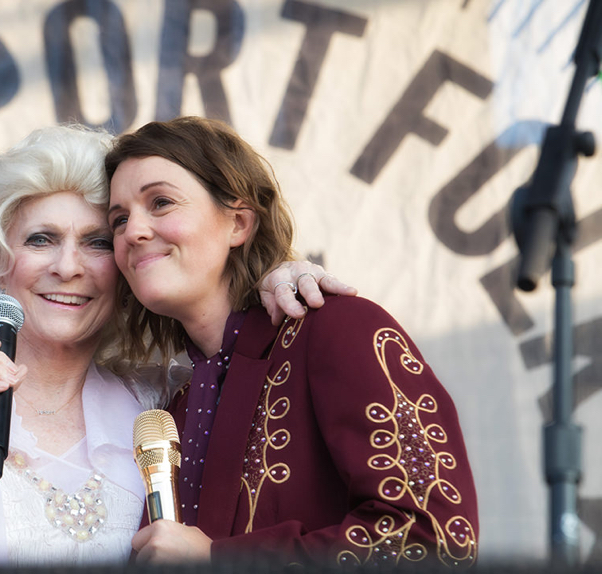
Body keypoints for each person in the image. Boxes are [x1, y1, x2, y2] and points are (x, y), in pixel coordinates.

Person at [0, 124, 353, 568]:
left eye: (98, 242)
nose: (69, 267)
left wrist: (277, 275)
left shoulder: (162, 402)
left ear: (126, 266)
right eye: (41, 239)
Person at [105, 116, 479, 567]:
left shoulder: (338, 329)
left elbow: (436, 539)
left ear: (239, 223)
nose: (133, 231)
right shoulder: (174, 408)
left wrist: (219, 560)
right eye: (119, 219)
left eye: (160, 202)